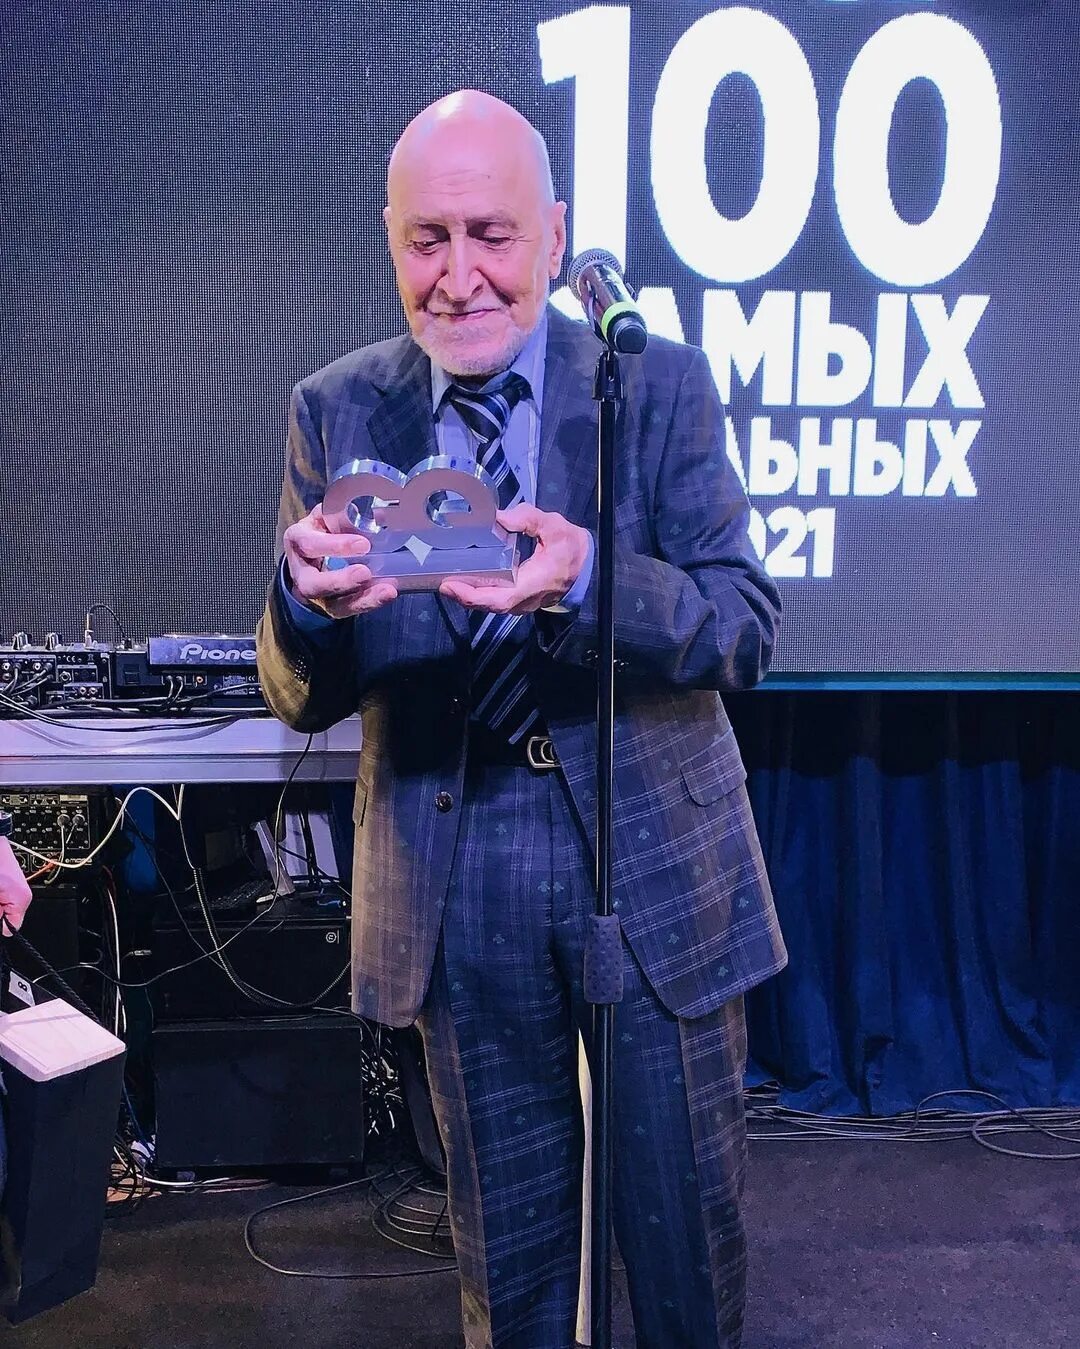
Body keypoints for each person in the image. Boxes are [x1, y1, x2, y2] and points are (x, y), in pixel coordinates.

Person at [256, 90, 786, 1349]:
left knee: (684, 1252)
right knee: (514, 1270)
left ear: (552, 234)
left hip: (648, 857)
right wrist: (303, 604)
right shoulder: (337, 407)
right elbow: (297, 689)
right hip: (459, 866)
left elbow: (743, 624)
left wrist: (592, 579)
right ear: (390, 241)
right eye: (426, 241)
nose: (459, 277)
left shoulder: (654, 384)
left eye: (490, 235)